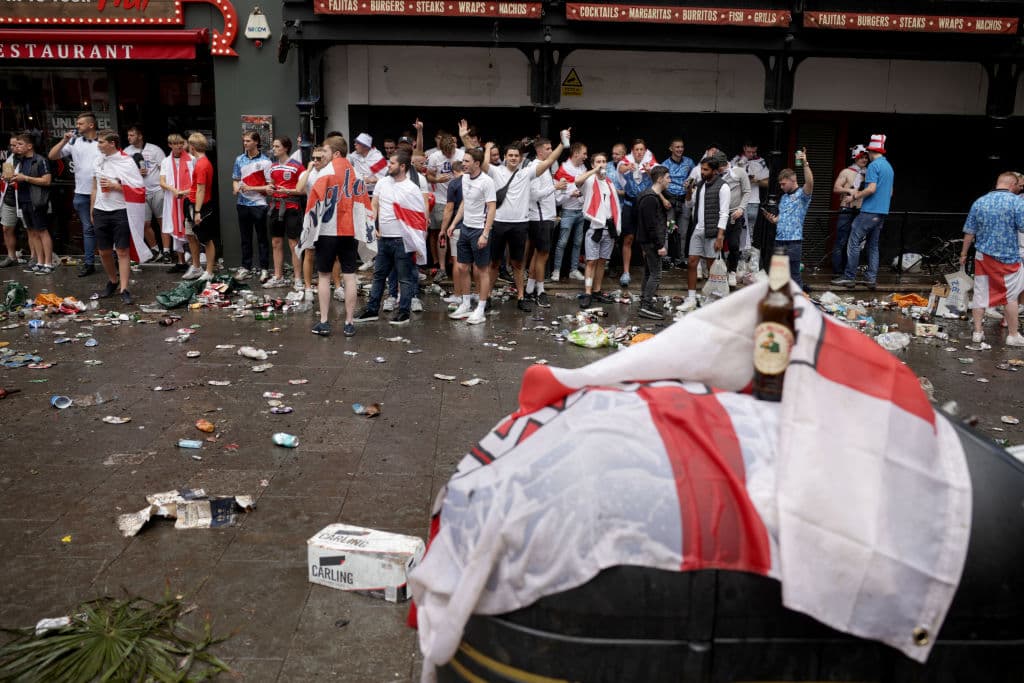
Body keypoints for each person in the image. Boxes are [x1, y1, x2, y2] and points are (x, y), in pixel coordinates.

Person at [480, 127, 568, 312]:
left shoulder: (526, 173)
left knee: (518, 264)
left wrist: (562, 143)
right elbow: (483, 164)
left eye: (516, 156)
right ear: (505, 157)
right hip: (499, 223)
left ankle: (521, 297)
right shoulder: (496, 171)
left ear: (521, 158)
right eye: (510, 155)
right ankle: (487, 297)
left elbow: (549, 160)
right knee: (494, 263)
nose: (513, 158)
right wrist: (487, 148)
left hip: (519, 225)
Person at [306, 136, 371, 338]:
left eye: (325, 151)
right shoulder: (356, 174)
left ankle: (324, 321)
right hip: (349, 231)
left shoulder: (325, 173)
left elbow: (313, 204)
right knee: (349, 275)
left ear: (335, 153)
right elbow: (363, 204)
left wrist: (308, 230)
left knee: (324, 276)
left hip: (327, 231)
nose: (322, 155)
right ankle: (349, 323)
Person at [355, 150, 427, 326]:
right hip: (384, 239)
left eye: (392, 163)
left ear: (402, 166)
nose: (389, 166)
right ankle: (372, 310)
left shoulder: (412, 188)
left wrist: (418, 242)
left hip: (402, 240)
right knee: (378, 275)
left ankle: (404, 313)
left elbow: (419, 217)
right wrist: (372, 225)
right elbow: (374, 204)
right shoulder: (382, 183)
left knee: (405, 278)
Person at [960, 172, 1024, 347]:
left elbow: (969, 231)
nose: (1019, 189)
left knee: (980, 294)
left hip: (983, 257)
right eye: (1018, 185)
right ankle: (1013, 335)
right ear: (1012, 184)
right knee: (1010, 297)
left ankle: (977, 332)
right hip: (1008, 257)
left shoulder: (980, 202)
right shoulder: (1017, 202)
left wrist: (963, 253)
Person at [833, 134, 894, 289]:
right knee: (873, 246)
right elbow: (890, 192)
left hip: (869, 211)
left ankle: (849, 277)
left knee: (853, 242)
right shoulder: (888, 167)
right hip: (882, 212)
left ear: (871, 151)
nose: (866, 157)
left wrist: (855, 196)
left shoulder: (874, 166)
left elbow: (871, 189)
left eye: (867, 154)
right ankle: (871, 279)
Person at [90, 129, 144, 304]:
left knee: (122, 250)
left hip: (121, 210)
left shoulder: (126, 161)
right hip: (100, 210)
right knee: (104, 251)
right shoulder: (98, 160)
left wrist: (116, 186)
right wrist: (92, 208)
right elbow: (94, 187)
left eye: (101, 142)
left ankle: (124, 288)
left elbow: (139, 188)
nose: (98, 145)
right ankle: (113, 281)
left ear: (112, 143)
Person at [447, 147, 497, 325]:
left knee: (482, 270)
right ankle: (466, 304)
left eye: (467, 161)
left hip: (479, 230)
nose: (463, 164)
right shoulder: (465, 178)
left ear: (477, 163)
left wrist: (485, 234)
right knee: (462, 267)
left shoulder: (486, 181)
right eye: (463, 160)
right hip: (465, 228)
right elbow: (464, 203)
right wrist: (454, 223)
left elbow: (491, 208)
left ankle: (481, 309)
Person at [49, 111, 101, 276]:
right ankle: (89, 263)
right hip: (82, 192)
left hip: (102, 192)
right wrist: (64, 140)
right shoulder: (74, 141)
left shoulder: (103, 141)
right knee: (88, 229)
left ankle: (114, 259)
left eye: (80, 123)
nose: (77, 126)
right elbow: (52, 155)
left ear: (91, 125)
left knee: (106, 228)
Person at [679, 155, 730, 312]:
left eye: (706, 170)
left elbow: (724, 213)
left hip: (713, 231)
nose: (702, 172)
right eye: (701, 169)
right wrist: (689, 191)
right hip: (698, 229)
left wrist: (720, 236)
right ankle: (691, 298)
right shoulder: (700, 185)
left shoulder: (723, 187)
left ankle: (711, 298)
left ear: (715, 171)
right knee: (691, 262)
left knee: (711, 267)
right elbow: (689, 204)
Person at [761, 150, 814, 291]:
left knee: (793, 275)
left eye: (783, 184)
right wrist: (774, 219)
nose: (781, 187)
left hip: (793, 242)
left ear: (792, 181)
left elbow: (810, 183)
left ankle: (798, 300)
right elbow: (783, 216)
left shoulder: (802, 195)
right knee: (778, 275)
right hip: (779, 240)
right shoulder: (784, 197)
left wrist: (805, 163)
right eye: (780, 184)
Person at [574, 151, 621, 308]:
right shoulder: (589, 180)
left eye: (604, 161)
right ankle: (587, 292)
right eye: (598, 162)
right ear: (593, 164)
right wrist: (594, 171)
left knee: (602, 262)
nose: (602, 164)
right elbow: (577, 181)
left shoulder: (609, 182)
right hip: (595, 228)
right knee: (591, 261)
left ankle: (597, 291)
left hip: (609, 227)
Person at [526, 137, 568, 308]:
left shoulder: (545, 168)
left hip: (547, 217)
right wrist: (555, 187)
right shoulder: (534, 167)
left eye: (552, 148)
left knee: (538, 254)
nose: (551, 151)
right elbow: (534, 195)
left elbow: (551, 197)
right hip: (539, 218)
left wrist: (563, 191)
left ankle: (529, 289)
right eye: (548, 148)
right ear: (539, 151)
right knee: (542, 256)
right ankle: (540, 291)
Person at [265, 136, 305, 289]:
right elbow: (272, 184)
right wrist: (270, 189)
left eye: (277, 146)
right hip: (275, 206)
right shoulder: (273, 166)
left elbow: (304, 190)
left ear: (286, 148)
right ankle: (278, 276)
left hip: (291, 207)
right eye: (273, 146)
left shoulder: (297, 167)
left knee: (294, 243)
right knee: (276, 242)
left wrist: (288, 191)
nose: (274, 149)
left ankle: (298, 278)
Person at [10, 134, 53, 275]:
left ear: (29, 146)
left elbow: (47, 180)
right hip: (23, 200)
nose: (17, 147)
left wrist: (25, 178)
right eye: (16, 145)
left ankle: (48, 263)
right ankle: (39, 262)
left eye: (20, 144)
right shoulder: (20, 161)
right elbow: (22, 179)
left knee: (42, 231)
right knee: (32, 232)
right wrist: (13, 180)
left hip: (37, 201)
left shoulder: (40, 160)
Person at [232, 131, 272, 282]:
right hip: (242, 204)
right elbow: (236, 178)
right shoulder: (239, 159)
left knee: (262, 238)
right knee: (245, 238)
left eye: (248, 141)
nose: (245, 143)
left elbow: (270, 186)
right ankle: (246, 268)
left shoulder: (266, 161)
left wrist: (251, 188)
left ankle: (264, 269)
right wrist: (236, 188)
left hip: (259, 204)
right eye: (244, 141)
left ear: (256, 142)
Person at [618, 139, 657, 289]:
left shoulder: (651, 162)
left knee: (645, 241)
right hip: (629, 205)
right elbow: (621, 169)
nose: (639, 152)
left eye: (641, 149)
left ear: (645, 151)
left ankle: (649, 274)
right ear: (632, 151)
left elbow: (658, 177)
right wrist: (629, 166)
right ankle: (626, 272)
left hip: (645, 206)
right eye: (636, 149)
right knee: (628, 238)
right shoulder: (626, 161)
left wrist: (649, 171)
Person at [123, 124, 166, 261]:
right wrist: (135, 172)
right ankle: (155, 250)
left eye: (132, 135)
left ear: (140, 136)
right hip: (139, 192)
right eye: (128, 135)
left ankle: (167, 251)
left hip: (157, 190)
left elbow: (164, 169)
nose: (129, 138)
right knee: (144, 224)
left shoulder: (155, 149)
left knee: (162, 222)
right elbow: (122, 173)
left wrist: (165, 187)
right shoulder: (126, 152)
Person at [426, 133, 464, 279]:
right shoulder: (435, 156)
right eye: (445, 152)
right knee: (440, 234)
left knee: (458, 233)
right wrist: (437, 179)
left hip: (460, 200)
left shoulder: (462, 154)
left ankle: (457, 265)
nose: (448, 154)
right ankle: (441, 267)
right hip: (441, 199)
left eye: (451, 151)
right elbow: (429, 176)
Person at [636, 165, 671, 319]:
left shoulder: (650, 196)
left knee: (649, 272)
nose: (670, 180)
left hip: (648, 241)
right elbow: (650, 225)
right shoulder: (650, 198)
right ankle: (646, 305)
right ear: (660, 179)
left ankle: (644, 302)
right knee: (656, 274)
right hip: (651, 242)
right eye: (668, 178)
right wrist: (659, 245)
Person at [551, 142, 589, 281]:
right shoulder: (562, 170)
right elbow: (556, 199)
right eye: (584, 153)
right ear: (576, 154)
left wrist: (582, 196)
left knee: (578, 243)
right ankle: (556, 270)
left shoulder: (583, 168)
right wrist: (570, 194)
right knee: (562, 243)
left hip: (581, 212)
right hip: (567, 212)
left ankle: (573, 270)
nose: (586, 156)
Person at [183, 132, 216, 282]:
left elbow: (202, 190)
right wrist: (186, 193)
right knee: (190, 235)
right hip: (192, 204)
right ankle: (196, 267)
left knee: (206, 240)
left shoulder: (202, 164)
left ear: (192, 146)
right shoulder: (200, 162)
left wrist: (197, 211)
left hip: (200, 207)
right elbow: (197, 187)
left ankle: (209, 271)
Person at [831, 144, 869, 276]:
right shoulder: (846, 172)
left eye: (866, 157)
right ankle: (837, 271)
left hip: (861, 209)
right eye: (862, 157)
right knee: (841, 240)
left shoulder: (869, 173)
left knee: (857, 242)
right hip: (846, 209)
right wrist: (849, 190)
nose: (864, 160)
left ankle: (850, 271)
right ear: (855, 157)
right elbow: (836, 188)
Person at [158, 133, 192, 273]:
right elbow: (162, 182)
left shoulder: (191, 160)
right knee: (175, 229)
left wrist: (184, 192)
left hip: (188, 198)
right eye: (176, 144)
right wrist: (174, 190)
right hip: (172, 199)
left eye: (181, 143)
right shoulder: (166, 161)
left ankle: (195, 263)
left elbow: (196, 182)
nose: (179, 146)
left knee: (190, 230)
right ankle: (181, 261)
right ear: (170, 145)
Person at [718, 150, 752, 286]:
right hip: (719, 215)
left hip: (734, 214)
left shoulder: (739, 172)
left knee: (734, 244)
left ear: (724, 163)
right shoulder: (715, 175)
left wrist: (741, 208)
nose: (719, 169)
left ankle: (732, 271)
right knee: (718, 245)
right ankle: (720, 272)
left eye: (720, 166)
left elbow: (747, 191)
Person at [663, 138, 695, 267]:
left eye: (681, 147)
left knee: (683, 232)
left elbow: (695, 177)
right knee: (669, 230)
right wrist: (665, 199)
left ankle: (680, 259)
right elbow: (661, 183)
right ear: (671, 148)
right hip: (670, 202)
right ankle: (665, 259)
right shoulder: (665, 164)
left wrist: (691, 186)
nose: (680, 149)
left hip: (684, 201)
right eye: (677, 147)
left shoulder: (689, 162)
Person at [731, 141, 769, 244]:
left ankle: (747, 252)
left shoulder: (760, 161)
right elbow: (729, 178)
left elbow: (768, 182)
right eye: (749, 152)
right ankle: (736, 252)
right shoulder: (736, 160)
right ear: (744, 148)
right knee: (736, 230)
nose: (751, 154)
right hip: (737, 201)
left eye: (753, 152)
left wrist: (756, 181)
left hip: (753, 201)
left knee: (750, 231)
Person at [0, 135, 21, 268]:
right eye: (11, 145)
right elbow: (7, 176)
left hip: (24, 199)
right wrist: (5, 177)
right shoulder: (10, 157)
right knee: (6, 228)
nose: (12, 148)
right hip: (9, 198)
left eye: (15, 145)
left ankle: (34, 258)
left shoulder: (30, 159)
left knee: (32, 230)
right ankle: (11, 257)